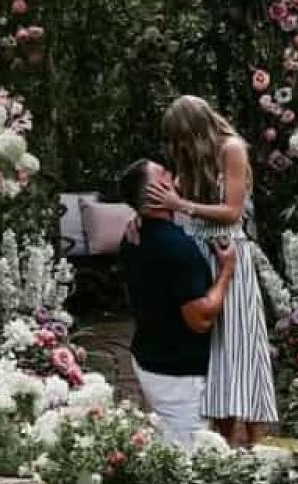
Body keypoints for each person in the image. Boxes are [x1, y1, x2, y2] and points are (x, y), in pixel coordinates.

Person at [145, 95, 278, 446]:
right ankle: (223, 441)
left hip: (227, 251)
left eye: (181, 138)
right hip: (197, 254)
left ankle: (256, 443)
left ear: (196, 129)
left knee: (242, 346)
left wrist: (181, 205)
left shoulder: (232, 149)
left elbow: (233, 211)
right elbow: (163, 199)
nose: (178, 147)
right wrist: (139, 218)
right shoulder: (190, 158)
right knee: (213, 352)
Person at [118, 158, 237, 449]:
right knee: (190, 455)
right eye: (164, 174)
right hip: (176, 373)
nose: (172, 176)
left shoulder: (133, 237)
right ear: (157, 191)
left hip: (150, 357)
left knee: (166, 444)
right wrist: (226, 272)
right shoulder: (175, 247)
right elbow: (200, 318)